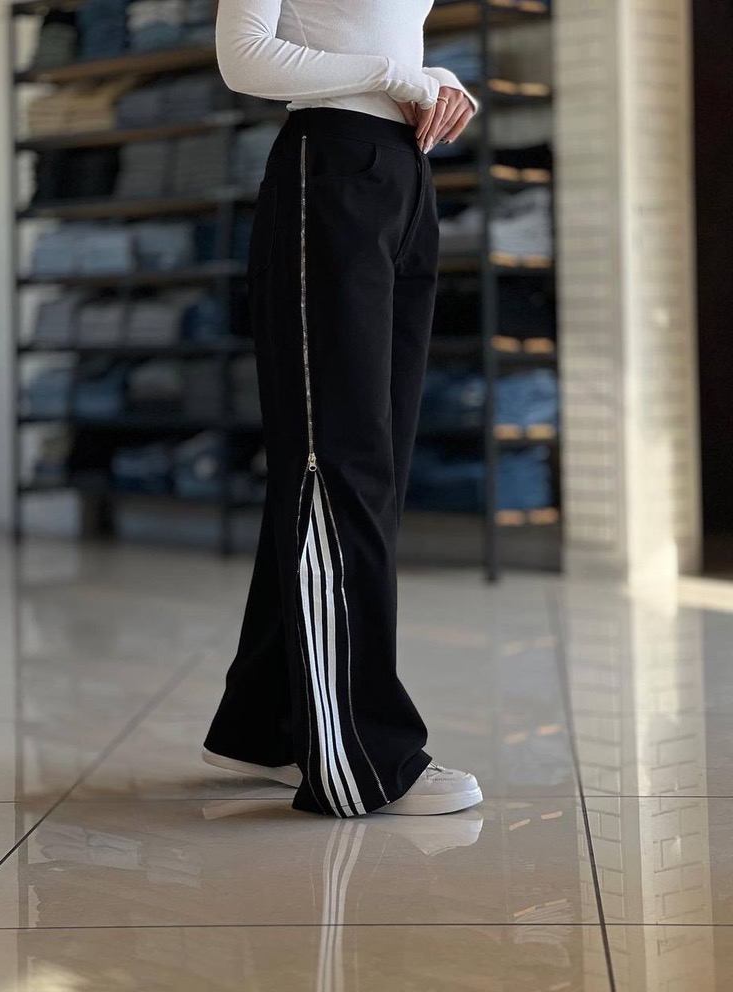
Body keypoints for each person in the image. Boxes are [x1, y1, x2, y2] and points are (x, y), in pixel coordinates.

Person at [202, 0, 484, 818]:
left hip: (403, 172)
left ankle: (264, 724)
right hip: (328, 168)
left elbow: (373, 32)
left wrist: (433, 77)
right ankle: (360, 756)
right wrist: (399, 76)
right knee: (340, 460)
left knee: (363, 459)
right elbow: (244, 56)